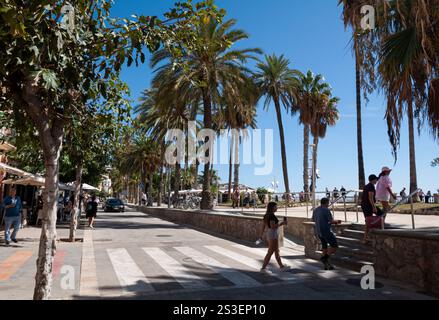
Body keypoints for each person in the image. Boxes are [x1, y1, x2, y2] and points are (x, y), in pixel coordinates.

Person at [260, 202, 290, 273]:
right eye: (276, 207)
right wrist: (282, 223)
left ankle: (281, 266)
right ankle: (263, 268)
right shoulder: (272, 216)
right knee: (270, 252)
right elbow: (273, 226)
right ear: (272, 207)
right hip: (273, 234)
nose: (277, 208)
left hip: (271, 234)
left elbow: (263, 226)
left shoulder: (266, 215)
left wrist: (261, 235)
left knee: (276, 251)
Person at [312, 198, 341, 270]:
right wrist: (337, 221)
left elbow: (312, 219)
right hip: (326, 231)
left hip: (318, 231)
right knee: (335, 246)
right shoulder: (326, 210)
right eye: (328, 203)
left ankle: (326, 266)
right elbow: (331, 221)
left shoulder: (315, 210)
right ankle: (324, 258)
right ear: (326, 203)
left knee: (324, 247)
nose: (328, 205)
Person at [361, 175, 385, 243]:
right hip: (369, 206)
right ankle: (380, 231)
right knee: (381, 214)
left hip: (364, 205)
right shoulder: (371, 186)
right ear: (373, 180)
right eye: (376, 180)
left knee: (368, 221)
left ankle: (365, 237)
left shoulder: (366, 186)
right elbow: (370, 197)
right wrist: (374, 207)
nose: (376, 181)